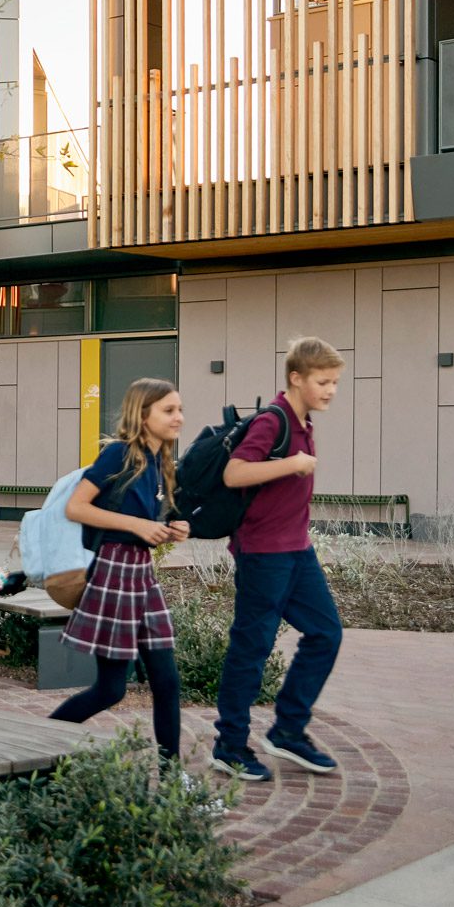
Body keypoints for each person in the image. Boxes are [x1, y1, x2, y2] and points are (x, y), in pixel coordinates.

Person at [209, 335, 347, 783]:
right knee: (251, 647)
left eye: (334, 382)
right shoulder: (273, 420)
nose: (330, 390)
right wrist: (292, 464)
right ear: (296, 378)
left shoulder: (303, 422)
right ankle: (229, 745)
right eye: (323, 381)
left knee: (325, 632)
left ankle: (288, 730)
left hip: (296, 551)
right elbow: (235, 473)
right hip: (263, 555)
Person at [49, 377, 190, 766]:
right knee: (110, 690)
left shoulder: (162, 462)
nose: (179, 417)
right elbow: (75, 508)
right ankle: (37, 747)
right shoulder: (119, 454)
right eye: (169, 410)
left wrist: (173, 528)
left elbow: (149, 518)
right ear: (143, 415)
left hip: (141, 574)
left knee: (167, 681)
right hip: (114, 571)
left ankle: (171, 779)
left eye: (179, 409)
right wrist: (137, 526)